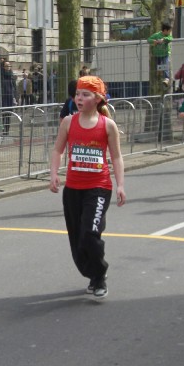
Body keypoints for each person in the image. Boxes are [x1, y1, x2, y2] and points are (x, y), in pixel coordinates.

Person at [48, 75, 126, 298]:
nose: (79, 99)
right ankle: (92, 273)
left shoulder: (107, 125)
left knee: (90, 233)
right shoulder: (68, 122)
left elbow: (117, 157)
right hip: (73, 189)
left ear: (98, 98)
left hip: (99, 187)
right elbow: (58, 150)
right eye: (77, 95)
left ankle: (99, 275)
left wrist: (120, 185)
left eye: (85, 94)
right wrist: (54, 174)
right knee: (77, 239)